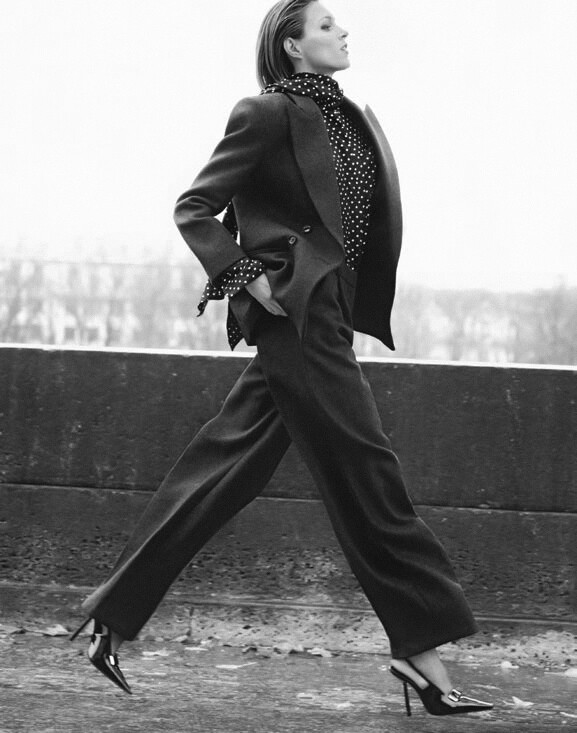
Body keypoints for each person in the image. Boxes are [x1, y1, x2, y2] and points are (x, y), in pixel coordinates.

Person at [72, 0, 493, 717]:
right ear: (293, 46)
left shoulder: (347, 116)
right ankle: (423, 653)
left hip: (327, 313)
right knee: (368, 475)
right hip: (297, 314)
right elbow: (194, 206)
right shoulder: (265, 114)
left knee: (223, 465)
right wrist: (246, 277)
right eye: (326, 25)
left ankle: (110, 617)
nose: (343, 31)